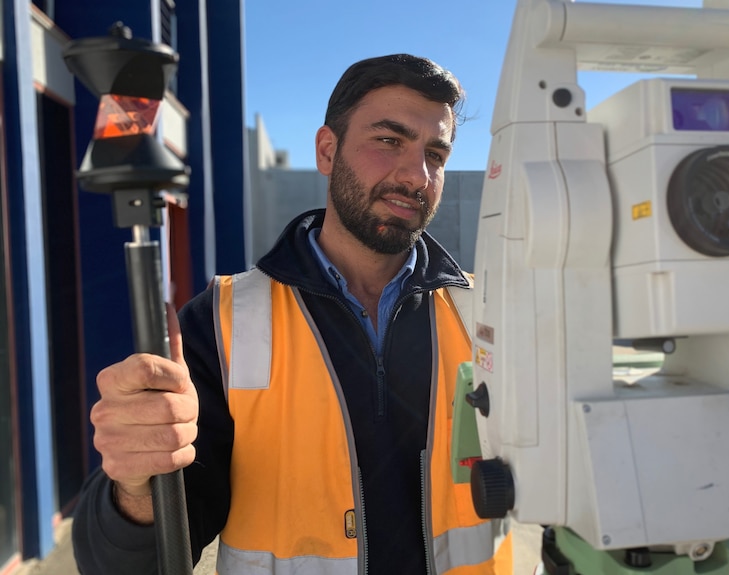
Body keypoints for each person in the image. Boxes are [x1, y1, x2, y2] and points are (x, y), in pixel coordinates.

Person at [72, 53, 513, 574]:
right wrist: (135, 484)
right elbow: (138, 558)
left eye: (435, 153)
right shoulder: (222, 322)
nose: (417, 175)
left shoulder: (488, 312)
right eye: (389, 140)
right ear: (327, 151)